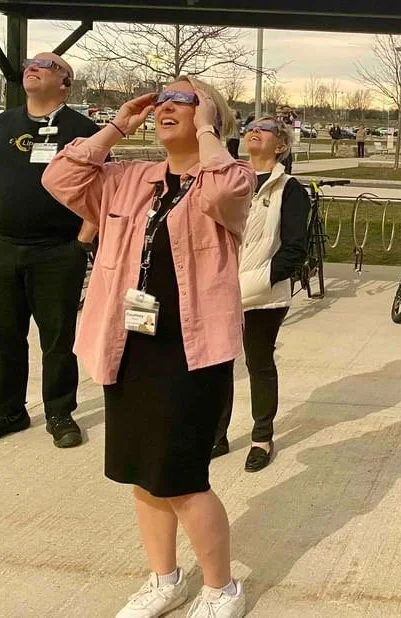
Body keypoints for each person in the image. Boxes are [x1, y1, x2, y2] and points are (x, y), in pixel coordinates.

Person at [42, 78, 254, 618]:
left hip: (191, 350)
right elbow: (59, 176)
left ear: (209, 116)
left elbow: (226, 189)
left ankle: (221, 587)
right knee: (141, 471)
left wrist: (208, 129)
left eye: (182, 100)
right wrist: (118, 124)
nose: (165, 107)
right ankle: (165, 579)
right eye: (162, 99)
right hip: (129, 344)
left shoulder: (226, 178)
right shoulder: (128, 179)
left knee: (182, 478)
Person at [0, 53, 99, 450]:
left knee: (57, 339)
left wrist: (81, 244)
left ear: (65, 81)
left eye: (45, 64)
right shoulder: (4, 122)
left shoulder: (82, 129)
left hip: (57, 251)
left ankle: (59, 412)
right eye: (29, 64)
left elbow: (101, 190)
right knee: (2, 335)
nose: (32, 68)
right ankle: (7, 411)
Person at [214, 116, 310, 471]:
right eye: (251, 126)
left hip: (264, 295)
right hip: (219, 289)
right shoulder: (228, 181)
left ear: (281, 145)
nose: (254, 130)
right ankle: (216, 434)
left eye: (265, 128)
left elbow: (294, 250)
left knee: (258, 363)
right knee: (219, 365)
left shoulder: (290, 190)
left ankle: (261, 437)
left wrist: (250, 285)